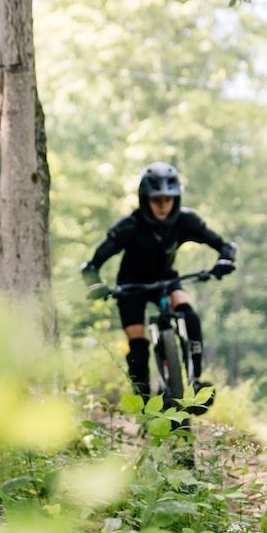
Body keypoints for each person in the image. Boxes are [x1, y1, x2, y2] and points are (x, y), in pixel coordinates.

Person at [81, 162, 238, 398]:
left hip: (166, 280)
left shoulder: (186, 221)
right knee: (138, 346)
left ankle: (195, 380)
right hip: (131, 286)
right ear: (145, 199)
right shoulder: (129, 226)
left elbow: (225, 245)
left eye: (168, 199)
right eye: (157, 200)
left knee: (188, 313)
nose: (163, 206)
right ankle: (144, 401)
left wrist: (224, 261)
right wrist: (96, 285)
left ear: (177, 199)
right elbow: (92, 266)